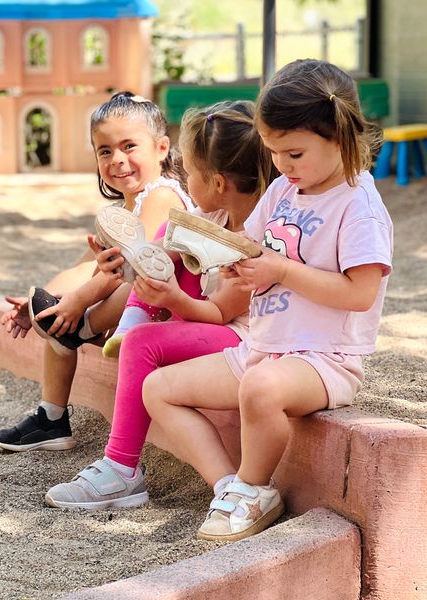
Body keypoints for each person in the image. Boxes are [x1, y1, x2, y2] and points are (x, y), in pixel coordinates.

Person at [142, 59, 394, 542]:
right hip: (263, 347)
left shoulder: (358, 206)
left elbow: (361, 294)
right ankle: (229, 488)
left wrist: (280, 270)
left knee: (260, 389)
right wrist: (214, 256)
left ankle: (255, 488)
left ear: (340, 137)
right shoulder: (282, 189)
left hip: (324, 360)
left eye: (294, 153)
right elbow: (251, 249)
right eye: (275, 152)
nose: (281, 165)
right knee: (158, 388)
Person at [42, 99, 279, 509]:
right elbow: (156, 254)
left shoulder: (254, 245)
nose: (185, 183)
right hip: (210, 324)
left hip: (242, 337)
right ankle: (133, 321)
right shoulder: (211, 219)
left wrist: (173, 298)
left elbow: (220, 314)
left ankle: (121, 468)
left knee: (140, 345)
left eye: (191, 173)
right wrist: (123, 260)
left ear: (218, 183)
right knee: (170, 244)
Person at [0, 91, 196, 452]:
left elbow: (132, 267)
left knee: (126, 284)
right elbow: (87, 265)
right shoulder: (122, 208)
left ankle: (80, 328)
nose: (117, 159)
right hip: (132, 314)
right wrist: (40, 304)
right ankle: (51, 418)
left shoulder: (162, 196)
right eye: (104, 151)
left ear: (161, 148)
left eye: (129, 146)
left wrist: (77, 305)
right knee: (57, 311)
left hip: (169, 309)